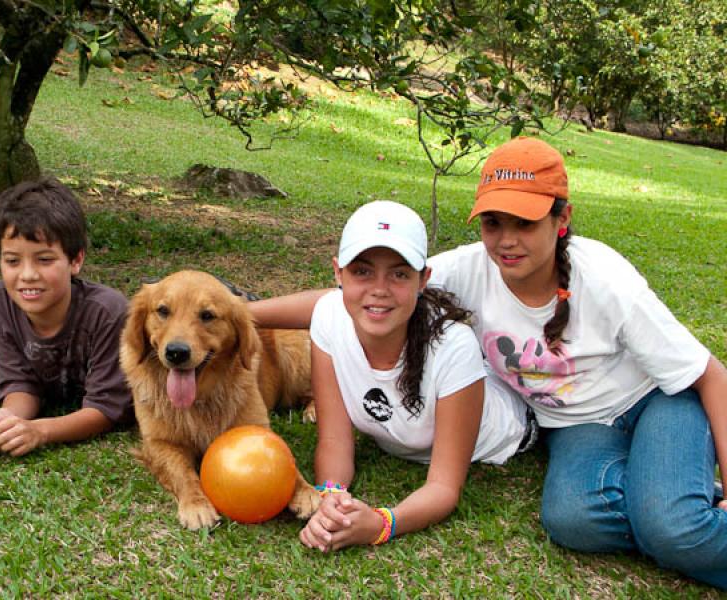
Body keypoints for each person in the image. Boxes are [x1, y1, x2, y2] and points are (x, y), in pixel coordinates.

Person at [250, 137, 727, 588]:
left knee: (672, 524)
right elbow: (359, 297)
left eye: (525, 223)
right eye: (494, 222)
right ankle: (670, 510)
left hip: (656, 401)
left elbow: (710, 375)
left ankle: (676, 519)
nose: (506, 240)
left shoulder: (605, 280)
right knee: (572, 522)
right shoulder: (471, 267)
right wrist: (240, 312)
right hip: (578, 427)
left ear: (562, 220)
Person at [297, 200, 535, 552]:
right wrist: (330, 496)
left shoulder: (454, 346)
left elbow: (443, 487)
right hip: (404, 433)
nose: (379, 289)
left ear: (423, 279)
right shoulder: (328, 317)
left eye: (399, 273)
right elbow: (334, 440)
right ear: (338, 273)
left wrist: (380, 524)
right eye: (362, 272)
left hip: (507, 429)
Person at [0, 177, 134, 457]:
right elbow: (22, 384)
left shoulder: (108, 313)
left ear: (75, 260)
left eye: (44, 260)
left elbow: (105, 411)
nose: (28, 275)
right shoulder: (0, 305)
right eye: (12, 261)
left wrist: (40, 431)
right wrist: (7, 420)